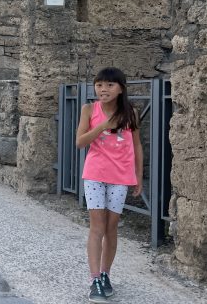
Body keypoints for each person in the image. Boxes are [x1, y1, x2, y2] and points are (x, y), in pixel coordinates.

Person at [75, 67, 143, 303]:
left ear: (121, 88)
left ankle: (105, 275)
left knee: (112, 227)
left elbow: (136, 146)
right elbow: (80, 142)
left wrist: (138, 175)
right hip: (95, 173)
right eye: (99, 84)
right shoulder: (89, 109)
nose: (103, 89)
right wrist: (102, 126)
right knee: (97, 227)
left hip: (121, 176)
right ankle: (94, 280)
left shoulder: (130, 113)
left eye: (109, 85)